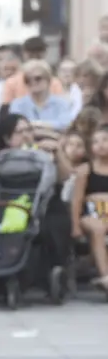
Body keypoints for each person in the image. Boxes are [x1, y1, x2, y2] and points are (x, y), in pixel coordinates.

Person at [0, 114, 71, 299]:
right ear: (7, 138)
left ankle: (46, 275)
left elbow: (65, 177)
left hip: (42, 208)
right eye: (19, 131)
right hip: (4, 211)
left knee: (53, 223)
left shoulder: (44, 157)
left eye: (28, 130)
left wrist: (57, 153)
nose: (26, 135)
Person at [71, 124, 108, 291]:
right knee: (98, 228)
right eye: (95, 142)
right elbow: (77, 200)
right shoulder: (86, 170)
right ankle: (105, 276)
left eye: (105, 140)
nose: (100, 145)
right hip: (90, 214)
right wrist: (75, 226)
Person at [9, 60, 74, 133]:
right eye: (27, 80)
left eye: (38, 78)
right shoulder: (18, 104)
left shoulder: (62, 103)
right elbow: (16, 127)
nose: (32, 82)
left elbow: (65, 125)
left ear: (48, 80)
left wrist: (34, 124)